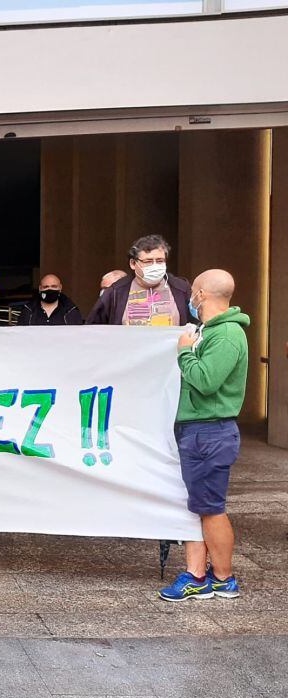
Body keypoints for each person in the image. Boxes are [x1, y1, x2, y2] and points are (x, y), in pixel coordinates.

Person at [159, 269, 249, 602]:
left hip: (209, 432)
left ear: (201, 294)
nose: (191, 298)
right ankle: (200, 574)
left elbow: (207, 380)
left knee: (211, 508)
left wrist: (184, 352)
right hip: (200, 430)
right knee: (201, 506)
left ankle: (223, 578)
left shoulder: (226, 335)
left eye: (193, 292)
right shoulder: (209, 331)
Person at [87, 235, 195, 326]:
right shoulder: (116, 292)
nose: (155, 265)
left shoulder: (181, 289)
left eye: (160, 261)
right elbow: (94, 329)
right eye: (148, 261)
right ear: (133, 264)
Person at [15, 274, 84, 326]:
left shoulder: (71, 311)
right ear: (40, 289)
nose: (49, 289)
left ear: (60, 288)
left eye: (54, 286)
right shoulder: (28, 312)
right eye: (46, 287)